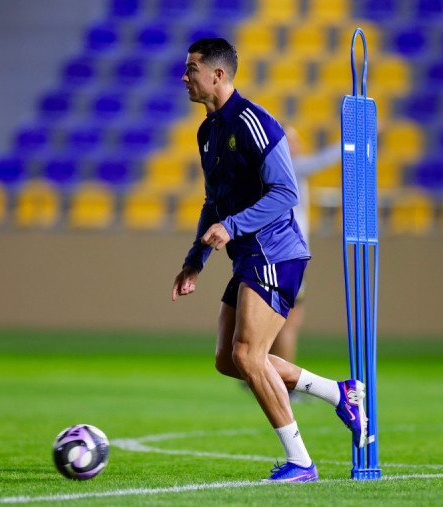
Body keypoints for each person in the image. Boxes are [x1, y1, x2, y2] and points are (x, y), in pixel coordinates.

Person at [171, 38, 366, 483]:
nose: (184, 77)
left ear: (218, 75)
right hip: (249, 257)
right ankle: (339, 394)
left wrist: (232, 226)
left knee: (247, 353)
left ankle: (301, 462)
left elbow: (286, 192)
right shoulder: (207, 133)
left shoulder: (254, 122)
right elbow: (213, 203)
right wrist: (195, 260)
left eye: (192, 69)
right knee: (229, 360)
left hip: (276, 252)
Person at [269, 127, 340, 394]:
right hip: (290, 258)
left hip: (277, 255)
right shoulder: (290, 167)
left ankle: (261, 373)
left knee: (273, 322)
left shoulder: (270, 169)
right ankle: (284, 386)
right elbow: (322, 161)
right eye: (292, 140)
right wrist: (354, 139)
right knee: (289, 324)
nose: (298, 144)